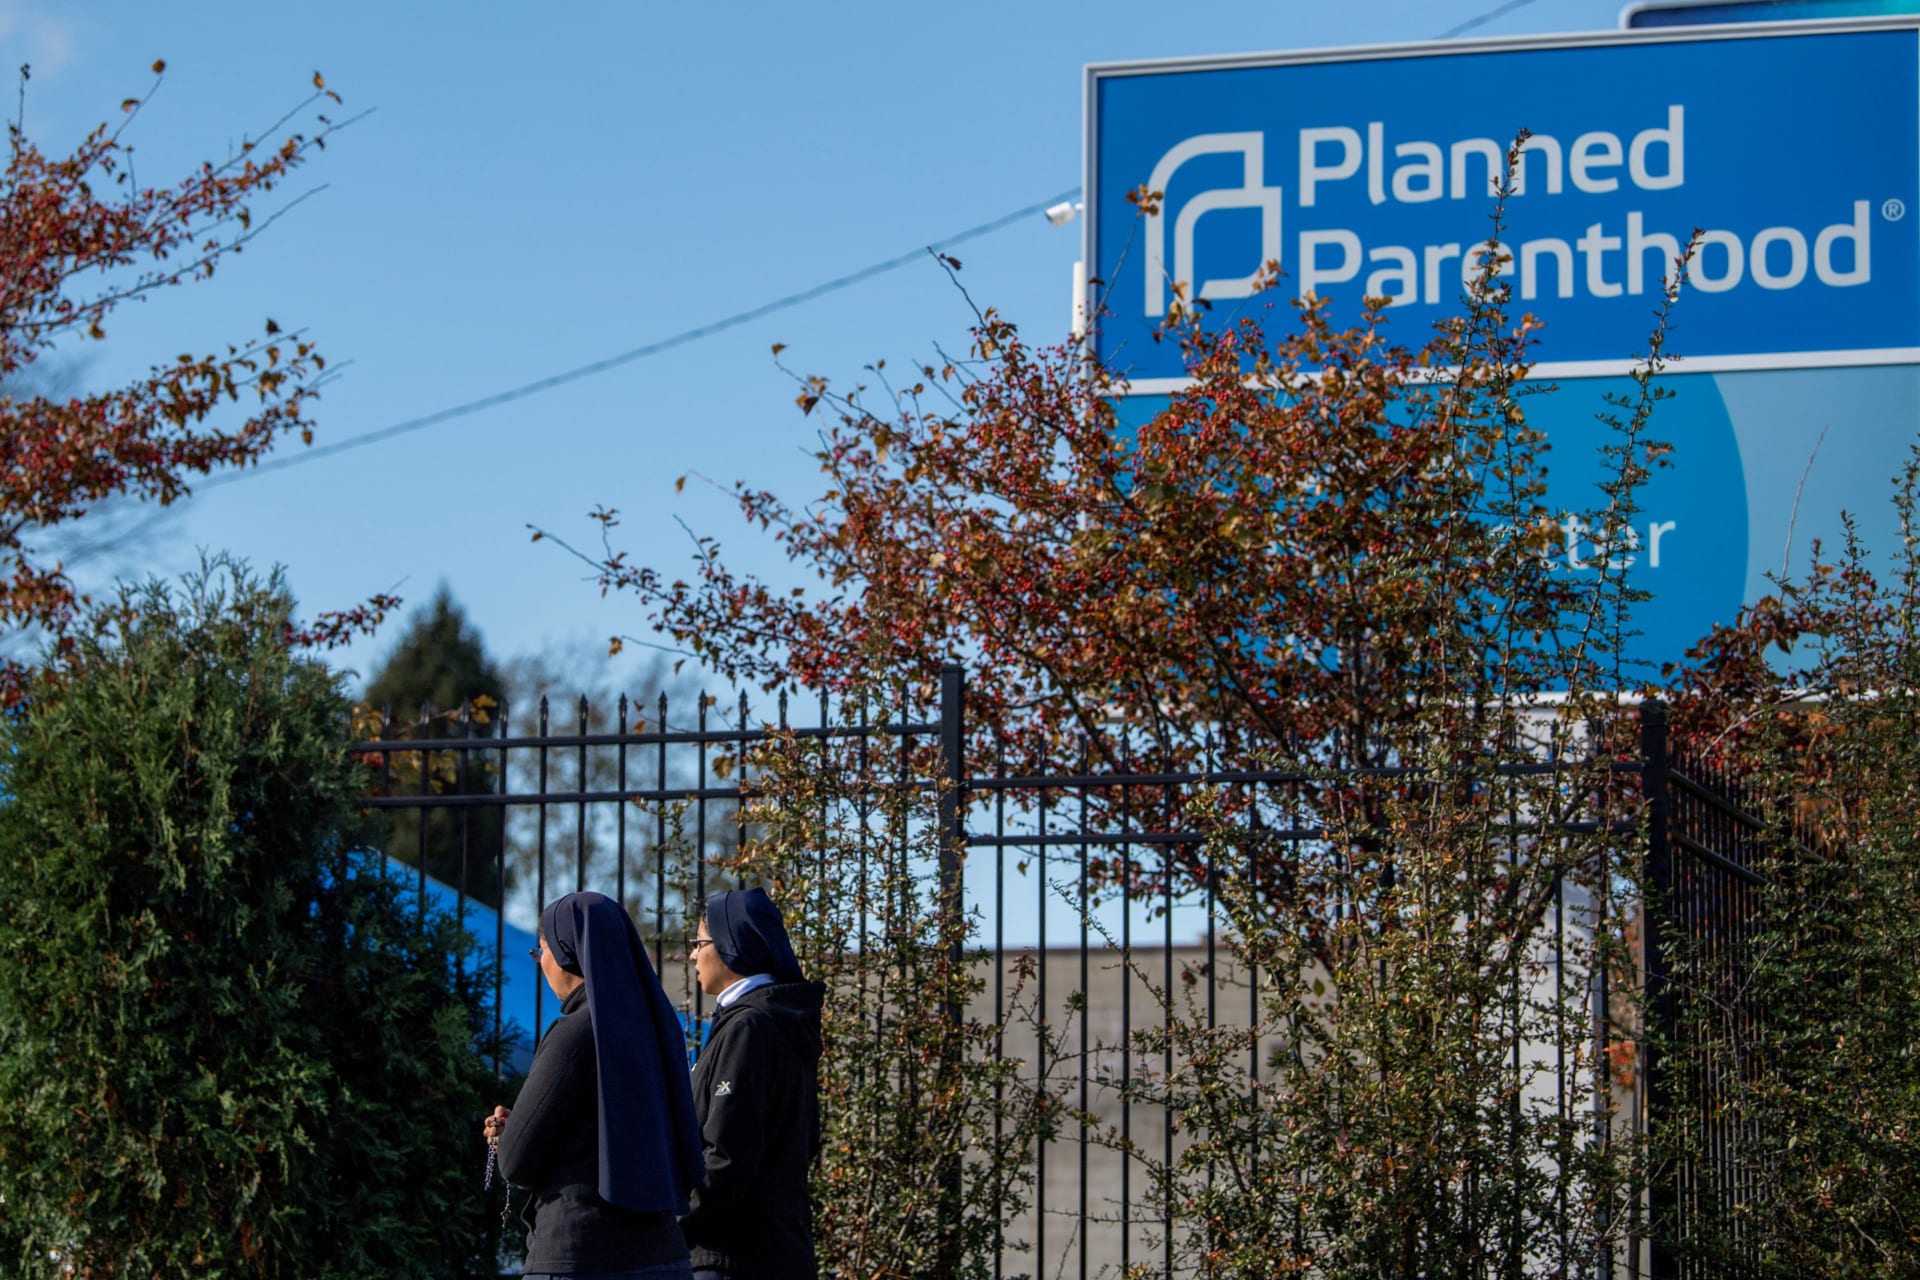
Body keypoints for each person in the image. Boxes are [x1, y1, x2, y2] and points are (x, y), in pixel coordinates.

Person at [483, 891, 705, 1280]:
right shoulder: (658, 1027)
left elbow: (516, 1159)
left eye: (541, 952)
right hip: (663, 1252)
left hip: (579, 1251)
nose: (541, 965)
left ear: (566, 952)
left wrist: (507, 1135)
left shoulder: (576, 1033)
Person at [681, 888, 825, 1280]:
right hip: (775, 1250)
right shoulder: (780, 1018)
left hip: (733, 1256)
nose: (693, 954)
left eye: (699, 942)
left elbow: (727, 1154)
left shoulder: (749, 1027)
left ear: (731, 944)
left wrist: (673, 1219)